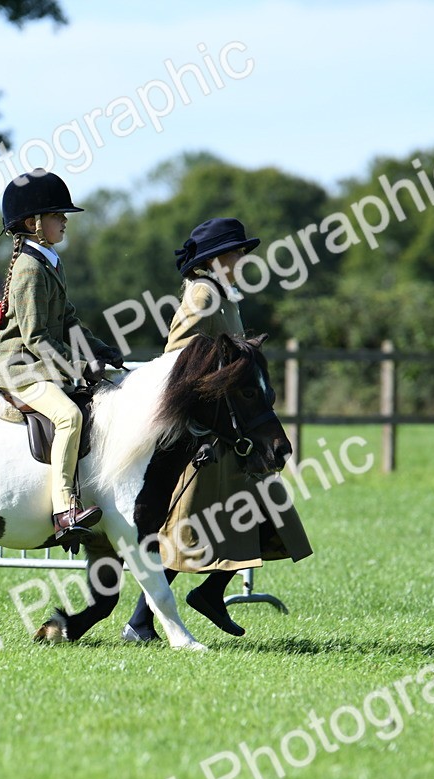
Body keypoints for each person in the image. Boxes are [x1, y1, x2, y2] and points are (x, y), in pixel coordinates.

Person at [122, 217, 313, 642]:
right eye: (237, 252)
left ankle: (204, 594)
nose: (242, 258)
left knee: (252, 506)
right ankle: (141, 620)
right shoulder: (204, 292)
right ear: (217, 257)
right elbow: (178, 355)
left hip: (229, 424)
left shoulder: (223, 291)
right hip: (209, 424)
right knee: (189, 524)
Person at [0, 169, 124, 544]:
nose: (64, 221)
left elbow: (68, 321)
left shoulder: (48, 260)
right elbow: (36, 338)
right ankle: (65, 507)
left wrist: (98, 347)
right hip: (19, 367)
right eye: (57, 215)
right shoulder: (30, 269)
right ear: (33, 223)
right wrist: (79, 365)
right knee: (69, 416)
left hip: (38, 360)